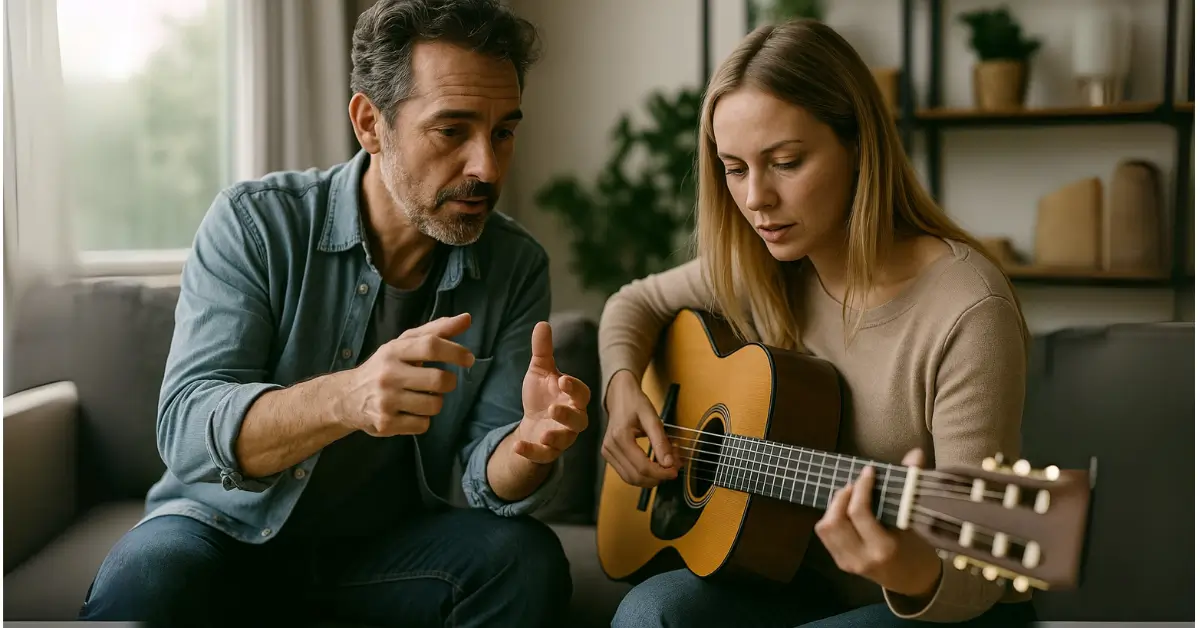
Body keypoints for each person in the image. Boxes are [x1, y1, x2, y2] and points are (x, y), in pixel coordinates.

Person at [77, 1, 587, 626]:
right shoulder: (255, 223)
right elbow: (187, 427)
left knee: (524, 560)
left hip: (386, 555)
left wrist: (528, 450)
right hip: (221, 533)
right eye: (452, 131)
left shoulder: (515, 264)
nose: (486, 166)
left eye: (503, 131)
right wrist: (347, 397)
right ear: (370, 123)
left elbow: (483, 477)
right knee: (146, 583)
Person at [600, 19, 1037, 628]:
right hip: (794, 578)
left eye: (785, 162)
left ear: (858, 147)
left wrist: (903, 566)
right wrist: (621, 388)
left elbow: (976, 565)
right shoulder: (762, 262)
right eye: (733, 168)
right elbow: (632, 304)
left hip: (935, 609)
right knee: (649, 613)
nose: (755, 199)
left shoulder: (967, 310)